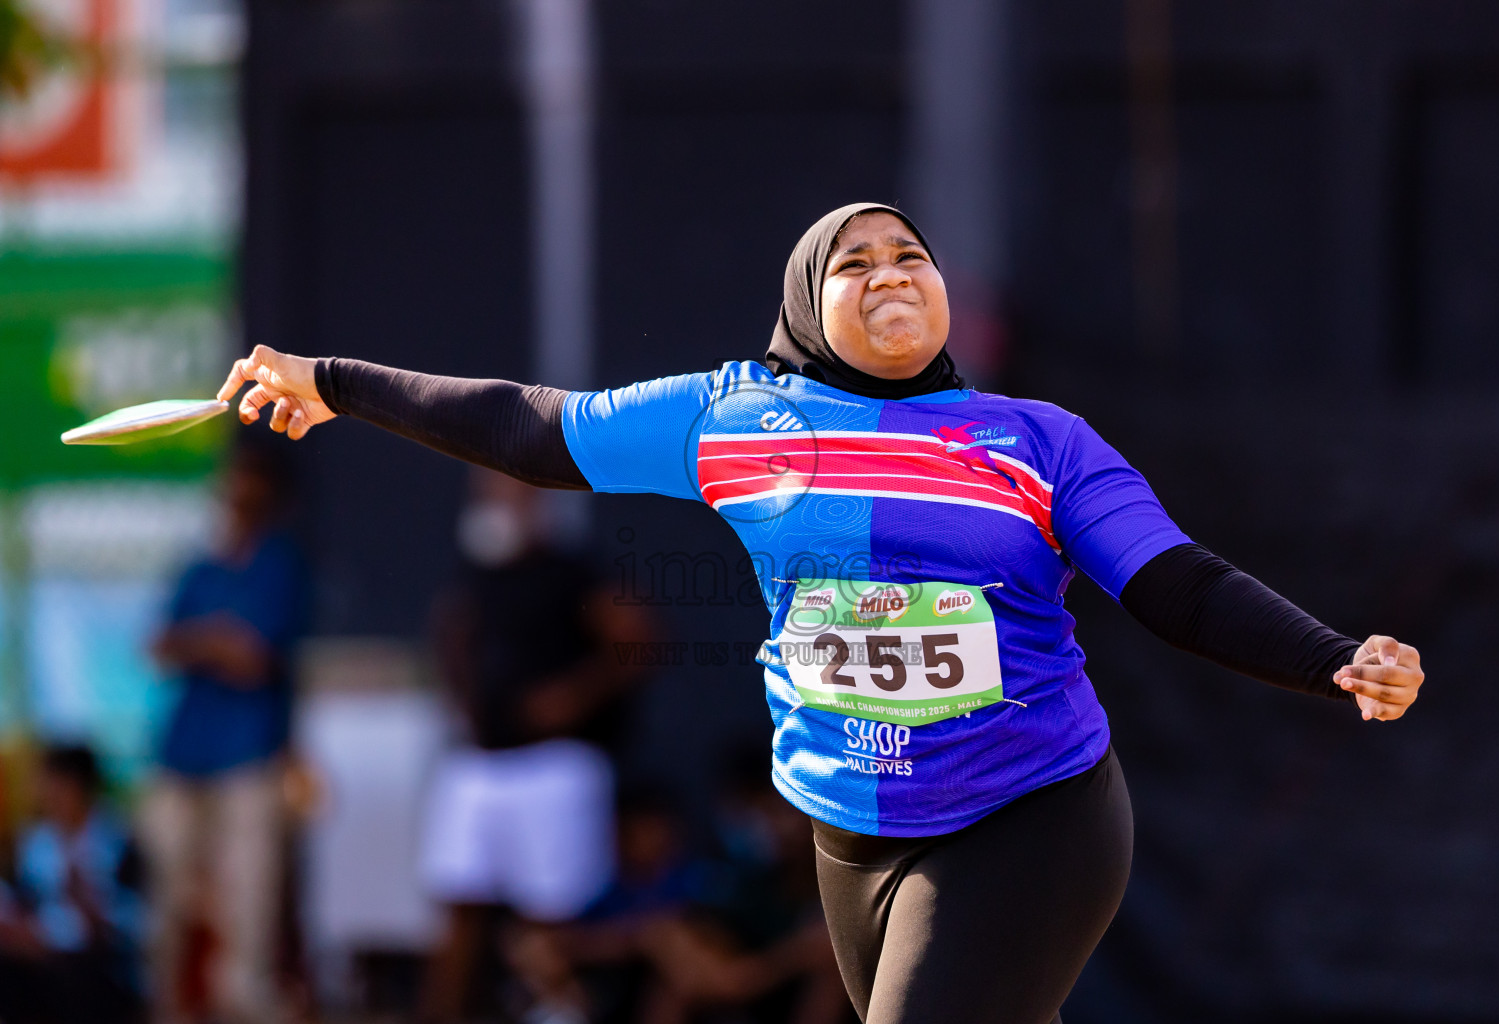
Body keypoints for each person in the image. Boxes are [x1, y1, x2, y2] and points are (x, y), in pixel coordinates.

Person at [214, 203, 1426, 1024]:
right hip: (849, 829)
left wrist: (1328, 658)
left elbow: (1177, 583)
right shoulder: (735, 416)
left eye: (911, 256)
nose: (892, 274)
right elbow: (532, 428)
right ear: (807, 301)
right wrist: (337, 384)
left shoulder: (1038, 440)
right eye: (857, 264)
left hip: (1029, 814)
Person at [417, 468, 653, 1023]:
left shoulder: (573, 572)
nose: (498, 502)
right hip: (479, 763)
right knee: (458, 902)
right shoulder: (475, 574)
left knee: (551, 911)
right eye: (488, 492)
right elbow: (450, 630)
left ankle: (557, 1008)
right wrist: (462, 699)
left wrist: (573, 695)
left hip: (556, 765)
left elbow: (638, 639)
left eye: (511, 491)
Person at [142, 444, 309, 1024]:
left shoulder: (279, 565)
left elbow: (253, 658)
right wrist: (214, 639)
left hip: (250, 754)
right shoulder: (199, 566)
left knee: (248, 900)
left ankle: (243, 1003)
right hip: (182, 753)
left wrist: (201, 641)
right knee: (171, 892)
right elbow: (159, 646)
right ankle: (171, 1005)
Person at [0, 744, 145, 1024]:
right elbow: (24, 901)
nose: (48, 798)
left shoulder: (117, 842)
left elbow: (133, 926)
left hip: (97, 967)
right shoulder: (38, 842)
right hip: (40, 952)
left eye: (57, 788)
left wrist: (89, 907)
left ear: (81, 788)